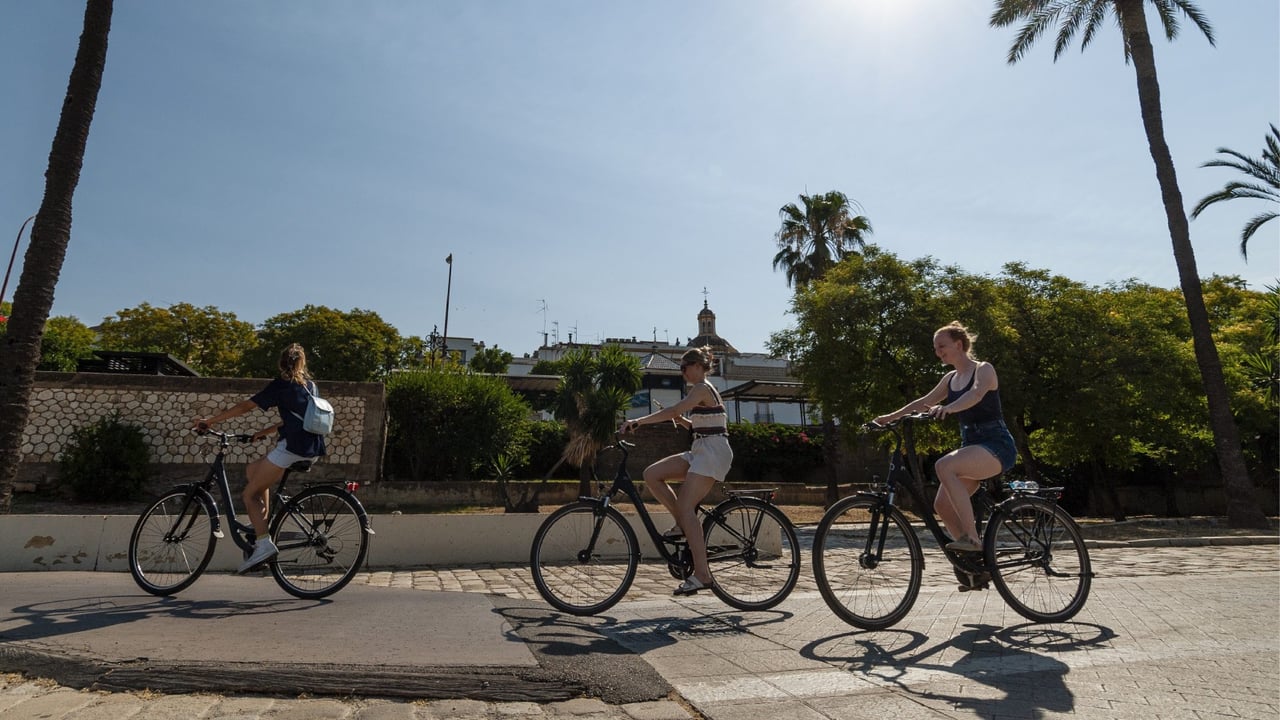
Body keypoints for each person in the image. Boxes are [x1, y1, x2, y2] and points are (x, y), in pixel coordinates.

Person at [874, 322, 1017, 553]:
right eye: (935, 348)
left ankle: (972, 539)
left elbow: (976, 394)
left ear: (959, 345)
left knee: (944, 465)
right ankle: (973, 564)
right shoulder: (951, 378)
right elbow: (923, 401)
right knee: (942, 505)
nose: (938, 351)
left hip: (996, 446)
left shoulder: (984, 369)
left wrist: (949, 407)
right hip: (971, 447)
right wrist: (890, 417)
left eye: (942, 346)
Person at [192, 343, 326, 573]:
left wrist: (211, 421)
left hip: (291, 448)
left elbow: (246, 406)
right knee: (253, 470)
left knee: (248, 494)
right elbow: (297, 419)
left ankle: (263, 544)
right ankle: (261, 523)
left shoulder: (282, 385)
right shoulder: (310, 387)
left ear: (281, 363)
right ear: (303, 363)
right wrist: (262, 433)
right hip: (312, 447)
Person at [619, 346, 732, 596]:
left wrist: (638, 421)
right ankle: (682, 524)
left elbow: (672, 410)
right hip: (702, 450)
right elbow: (705, 423)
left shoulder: (702, 387)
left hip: (712, 454)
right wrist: (685, 423)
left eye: (684, 368)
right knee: (652, 474)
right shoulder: (701, 391)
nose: (682, 373)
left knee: (685, 505)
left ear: (697, 366)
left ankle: (702, 575)